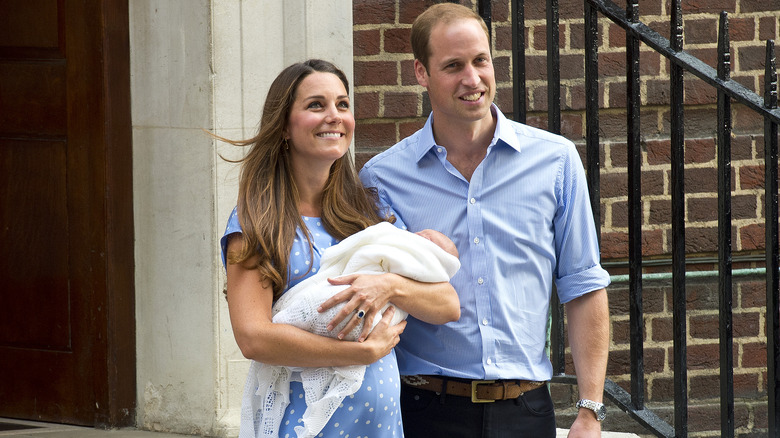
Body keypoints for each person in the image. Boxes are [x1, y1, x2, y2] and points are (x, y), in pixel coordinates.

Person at [358, 4, 611, 438]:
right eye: (453, 66)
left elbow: (583, 285)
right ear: (422, 73)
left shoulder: (555, 161)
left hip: (527, 411)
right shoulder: (382, 179)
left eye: (480, 60)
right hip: (424, 411)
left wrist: (590, 411)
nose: (472, 79)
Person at [220, 59, 460, 438]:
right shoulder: (258, 221)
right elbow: (253, 337)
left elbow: (446, 302)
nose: (334, 116)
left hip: (381, 426)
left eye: (342, 105)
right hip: (304, 424)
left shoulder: (371, 210)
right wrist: (359, 354)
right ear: (283, 125)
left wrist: (390, 287)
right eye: (316, 105)